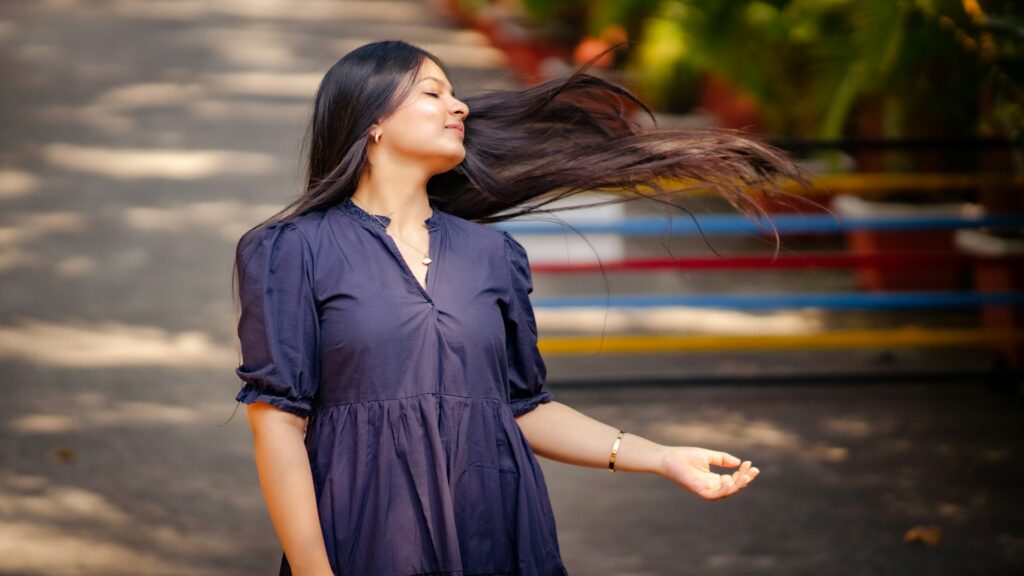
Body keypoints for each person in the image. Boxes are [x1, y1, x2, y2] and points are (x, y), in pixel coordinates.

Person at [233, 39, 809, 576]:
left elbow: (523, 408)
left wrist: (660, 458)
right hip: (366, 533)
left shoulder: (493, 254)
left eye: (454, 92)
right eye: (433, 92)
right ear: (372, 122)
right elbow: (279, 423)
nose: (458, 106)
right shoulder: (291, 250)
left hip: (497, 526)